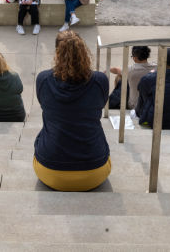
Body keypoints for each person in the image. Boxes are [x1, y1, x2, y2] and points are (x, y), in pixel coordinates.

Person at [33, 30, 111, 191]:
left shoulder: (43, 79)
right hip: (95, 173)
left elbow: (44, 104)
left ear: (57, 53)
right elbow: (100, 104)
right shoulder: (100, 81)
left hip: (49, 172)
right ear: (84, 51)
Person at [109, 46, 156, 110]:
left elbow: (116, 70)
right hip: (151, 104)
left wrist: (107, 70)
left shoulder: (130, 70)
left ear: (135, 58)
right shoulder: (156, 67)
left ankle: (117, 100)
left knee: (120, 77)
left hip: (134, 105)